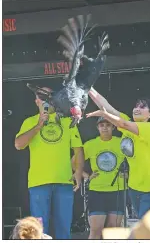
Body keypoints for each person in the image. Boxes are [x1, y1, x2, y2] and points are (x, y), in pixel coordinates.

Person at [15, 87, 84, 239]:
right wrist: (39, 125)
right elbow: (19, 145)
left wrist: (78, 173)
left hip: (64, 182)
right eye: (41, 96)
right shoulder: (30, 121)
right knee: (38, 230)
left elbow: (78, 150)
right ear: (36, 101)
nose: (46, 99)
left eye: (49, 95)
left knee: (64, 228)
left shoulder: (67, 121)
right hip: (38, 182)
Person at [87, 87, 150, 219]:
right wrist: (87, 86)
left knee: (148, 229)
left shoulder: (147, 127)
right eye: (136, 106)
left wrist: (104, 115)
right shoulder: (128, 122)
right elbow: (105, 105)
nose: (137, 108)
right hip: (134, 186)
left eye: (143, 107)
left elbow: (122, 124)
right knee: (141, 226)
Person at [73, 117, 127, 239]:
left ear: (113, 127)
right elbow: (74, 162)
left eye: (108, 125)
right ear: (97, 128)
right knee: (96, 230)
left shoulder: (121, 142)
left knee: (113, 230)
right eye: (101, 125)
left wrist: (128, 174)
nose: (104, 127)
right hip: (97, 191)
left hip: (117, 191)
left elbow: (135, 160)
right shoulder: (90, 144)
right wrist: (86, 176)